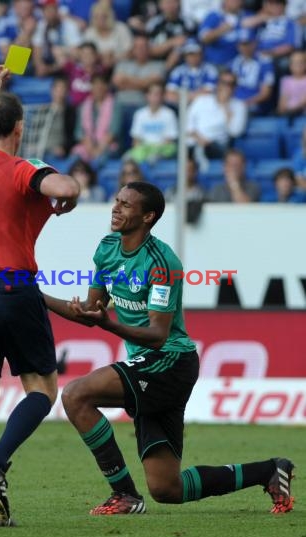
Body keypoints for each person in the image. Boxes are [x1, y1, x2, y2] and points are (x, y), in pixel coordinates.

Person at [43, 180, 294, 515]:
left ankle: (124, 495)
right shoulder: (106, 248)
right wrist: (36, 297)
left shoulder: (163, 263)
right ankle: (269, 470)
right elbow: (92, 312)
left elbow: (158, 334)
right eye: (116, 201)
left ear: (148, 217)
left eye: (126, 205)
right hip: (150, 363)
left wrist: (109, 324)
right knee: (167, 488)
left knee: (75, 395)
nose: (116, 208)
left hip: (169, 362)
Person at [0, 64, 80, 527]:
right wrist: (69, 190)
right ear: (20, 129)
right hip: (14, 288)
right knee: (43, 389)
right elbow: (64, 187)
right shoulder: (20, 169)